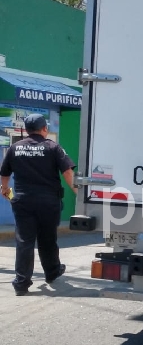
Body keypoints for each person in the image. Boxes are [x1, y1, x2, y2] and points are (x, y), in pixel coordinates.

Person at [0, 114, 77, 295]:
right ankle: (51, 273)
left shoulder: (15, 148)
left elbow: (4, 177)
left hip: (22, 201)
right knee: (47, 239)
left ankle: (21, 283)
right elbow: (67, 172)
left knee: (24, 241)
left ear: (27, 130)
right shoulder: (52, 147)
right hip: (48, 202)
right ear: (44, 129)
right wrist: (78, 194)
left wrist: (8, 193)